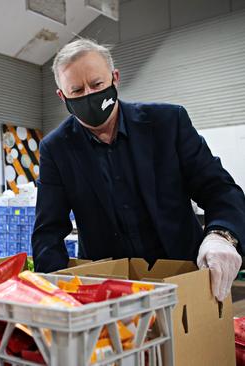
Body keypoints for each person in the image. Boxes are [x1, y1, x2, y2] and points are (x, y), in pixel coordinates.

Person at [32, 38, 245, 302]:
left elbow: (219, 188)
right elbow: (47, 230)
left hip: (184, 275)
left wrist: (221, 236)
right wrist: (54, 293)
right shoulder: (56, 149)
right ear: (62, 96)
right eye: (76, 90)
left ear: (115, 78)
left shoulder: (168, 123)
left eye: (97, 84)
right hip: (109, 289)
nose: (89, 95)